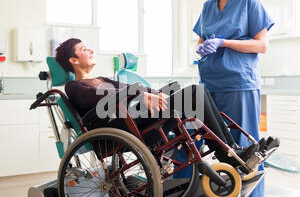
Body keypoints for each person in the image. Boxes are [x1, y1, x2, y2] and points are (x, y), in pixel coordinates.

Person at [55, 38, 259, 167]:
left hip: (133, 120)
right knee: (195, 93)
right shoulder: (75, 87)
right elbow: (102, 99)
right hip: (124, 130)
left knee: (195, 91)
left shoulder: (102, 79)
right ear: (73, 60)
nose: (90, 50)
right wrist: (140, 95)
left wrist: (157, 95)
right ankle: (227, 154)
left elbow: (130, 89)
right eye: (83, 49)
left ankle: (231, 149)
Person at [193, 0, 275, 197]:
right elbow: (201, 40)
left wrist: (225, 43)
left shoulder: (248, 1)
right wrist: (203, 47)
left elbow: (261, 45)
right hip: (211, 84)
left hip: (239, 84)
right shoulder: (208, 6)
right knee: (221, 148)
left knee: (246, 150)